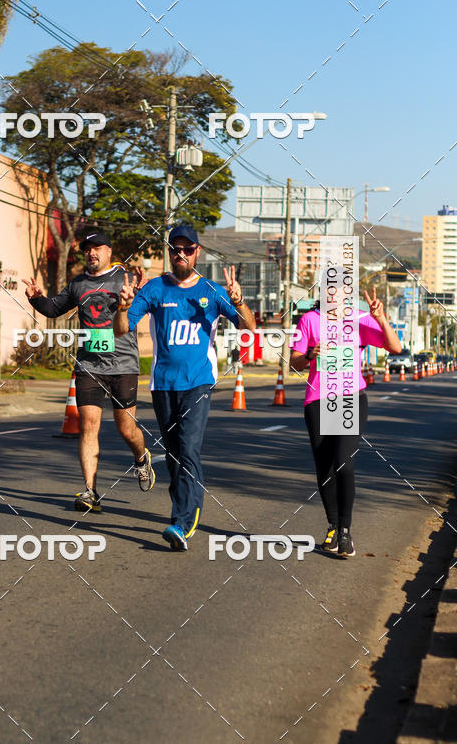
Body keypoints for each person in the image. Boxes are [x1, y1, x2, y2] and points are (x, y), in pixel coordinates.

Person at [113, 224, 256, 551]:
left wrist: (241, 301)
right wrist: (122, 307)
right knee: (176, 453)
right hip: (163, 385)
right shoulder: (154, 289)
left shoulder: (212, 290)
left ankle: (182, 519)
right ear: (169, 251)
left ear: (197, 252)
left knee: (189, 447)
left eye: (187, 249)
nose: (181, 254)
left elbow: (249, 326)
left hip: (198, 383)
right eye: (175, 249)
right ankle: (186, 509)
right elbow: (122, 331)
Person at [23, 230, 155, 513]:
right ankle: (90, 492)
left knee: (125, 428)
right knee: (89, 427)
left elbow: (144, 305)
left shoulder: (124, 279)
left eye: (97, 249)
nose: (91, 253)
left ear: (109, 252)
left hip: (123, 365)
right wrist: (36, 298)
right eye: (87, 250)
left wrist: (144, 290)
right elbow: (54, 308)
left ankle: (142, 458)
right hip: (89, 366)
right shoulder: (78, 284)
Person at [291, 286, 402, 557]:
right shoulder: (309, 320)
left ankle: (345, 531)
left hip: (350, 399)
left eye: (342, 289)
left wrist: (381, 318)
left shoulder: (360, 319)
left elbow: (395, 347)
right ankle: (332, 525)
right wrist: (309, 355)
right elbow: (293, 364)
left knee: (344, 463)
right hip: (317, 400)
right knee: (324, 467)